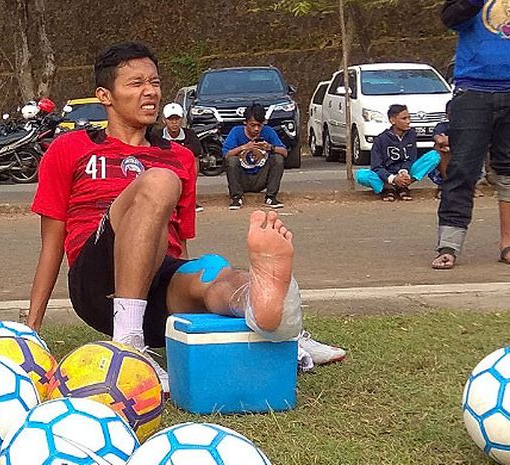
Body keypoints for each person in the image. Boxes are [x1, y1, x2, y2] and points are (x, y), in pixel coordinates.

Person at [28, 42, 344, 394]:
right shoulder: (70, 148)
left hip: (157, 288)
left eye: (155, 82)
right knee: (159, 181)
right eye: (136, 84)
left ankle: (277, 324)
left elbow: (179, 244)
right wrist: (31, 333)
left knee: (212, 270)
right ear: (105, 95)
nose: (150, 92)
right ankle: (128, 344)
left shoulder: (179, 156)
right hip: (96, 284)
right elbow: (51, 246)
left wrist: (193, 292)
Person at [434, 0, 510, 268]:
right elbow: (450, 18)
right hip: (472, 91)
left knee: (508, 171)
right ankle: (449, 246)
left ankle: (508, 245)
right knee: (462, 169)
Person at [355, 104, 440, 201]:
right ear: (393, 120)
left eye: (409, 118)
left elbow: (411, 158)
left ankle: (403, 185)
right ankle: (387, 188)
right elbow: (376, 166)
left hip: (405, 172)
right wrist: (392, 178)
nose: (408, 122)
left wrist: (404, 172)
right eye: (404, 118)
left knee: (434, 156)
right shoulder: (381, 139)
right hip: (386, 175)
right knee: (361, 175)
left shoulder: (411, 134)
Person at [221, 104, 288, 210]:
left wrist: (270, 147)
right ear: (245, 122)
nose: (256, 129)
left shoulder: (268, 132)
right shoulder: (236, 132)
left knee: (278, 158)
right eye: (253, 125)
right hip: (242, 177)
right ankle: (236, 197)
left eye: (259, 125)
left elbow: (284, 152)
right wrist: (243, 147)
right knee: (232, 161)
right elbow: (226, 154)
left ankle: (271, 196)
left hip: (261, 177)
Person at [428, 101, 484, 199]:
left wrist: (450, 141)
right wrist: (455, 142)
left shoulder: (468, 126)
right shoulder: (442, 126)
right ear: (447, 115)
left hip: (464, 154)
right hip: (447, 158)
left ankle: (470, 185)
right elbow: (439, 140)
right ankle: (447, 184)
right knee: (441, 148)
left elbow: (471, 140)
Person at [155, 103, 204, 212]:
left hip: (185, 167)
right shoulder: (157, 135)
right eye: (170, 119)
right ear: (164, 120)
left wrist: (171, 150)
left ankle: (190, 199)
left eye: (177, 119)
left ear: (181, 119)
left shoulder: (190, 134)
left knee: (194, 159)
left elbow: (196, 150)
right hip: (165, 167)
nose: (174, 122)